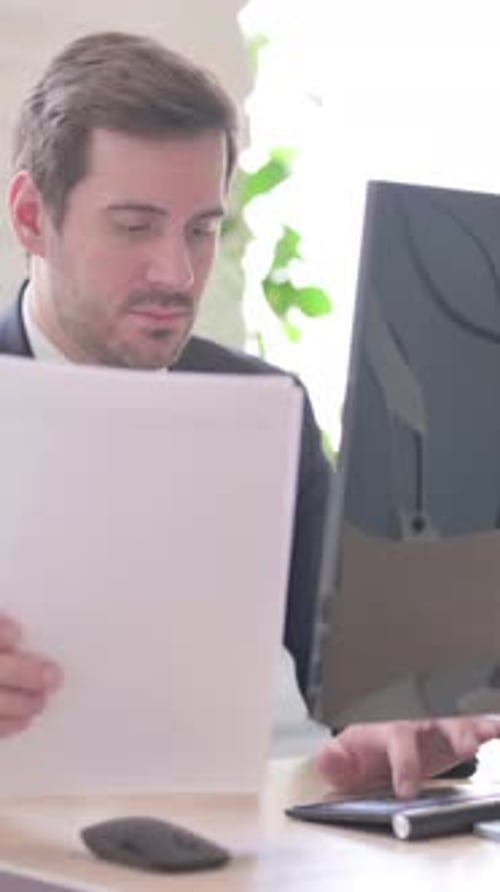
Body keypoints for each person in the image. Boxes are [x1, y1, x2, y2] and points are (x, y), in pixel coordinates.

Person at [0, 30, 498, 799]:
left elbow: (367, 687)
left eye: (203, 228)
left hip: (214, 848)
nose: (178, 272)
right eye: (134, 227)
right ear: (33, 216)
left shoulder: (267, 413)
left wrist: (398, 730)